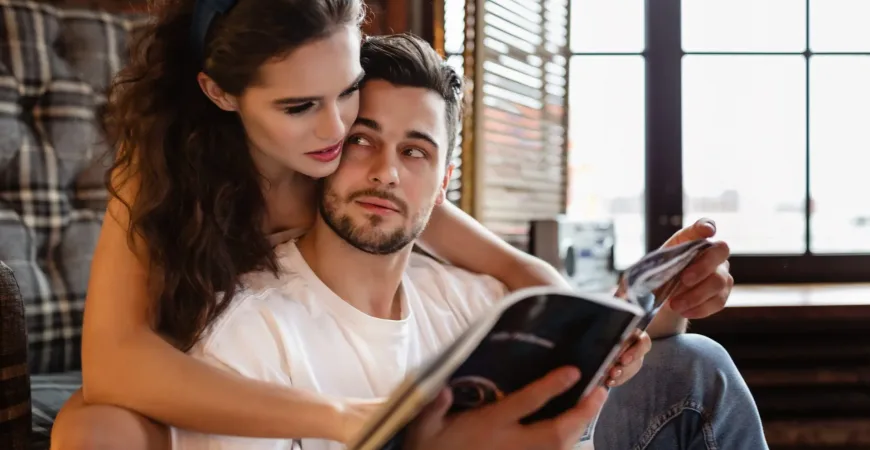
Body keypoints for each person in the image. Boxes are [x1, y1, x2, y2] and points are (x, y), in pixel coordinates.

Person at [49, 0, 740, 449]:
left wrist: (626, 325)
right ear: (220, 93)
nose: (334, 129)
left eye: (346, 91)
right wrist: (342, 417)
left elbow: (514, 269)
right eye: (299, 107)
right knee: (91, 430)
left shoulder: (365, 171)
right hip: (182, 373)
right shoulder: (165, 168)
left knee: (696, 365)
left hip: (338, 363)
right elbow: (114, 363)